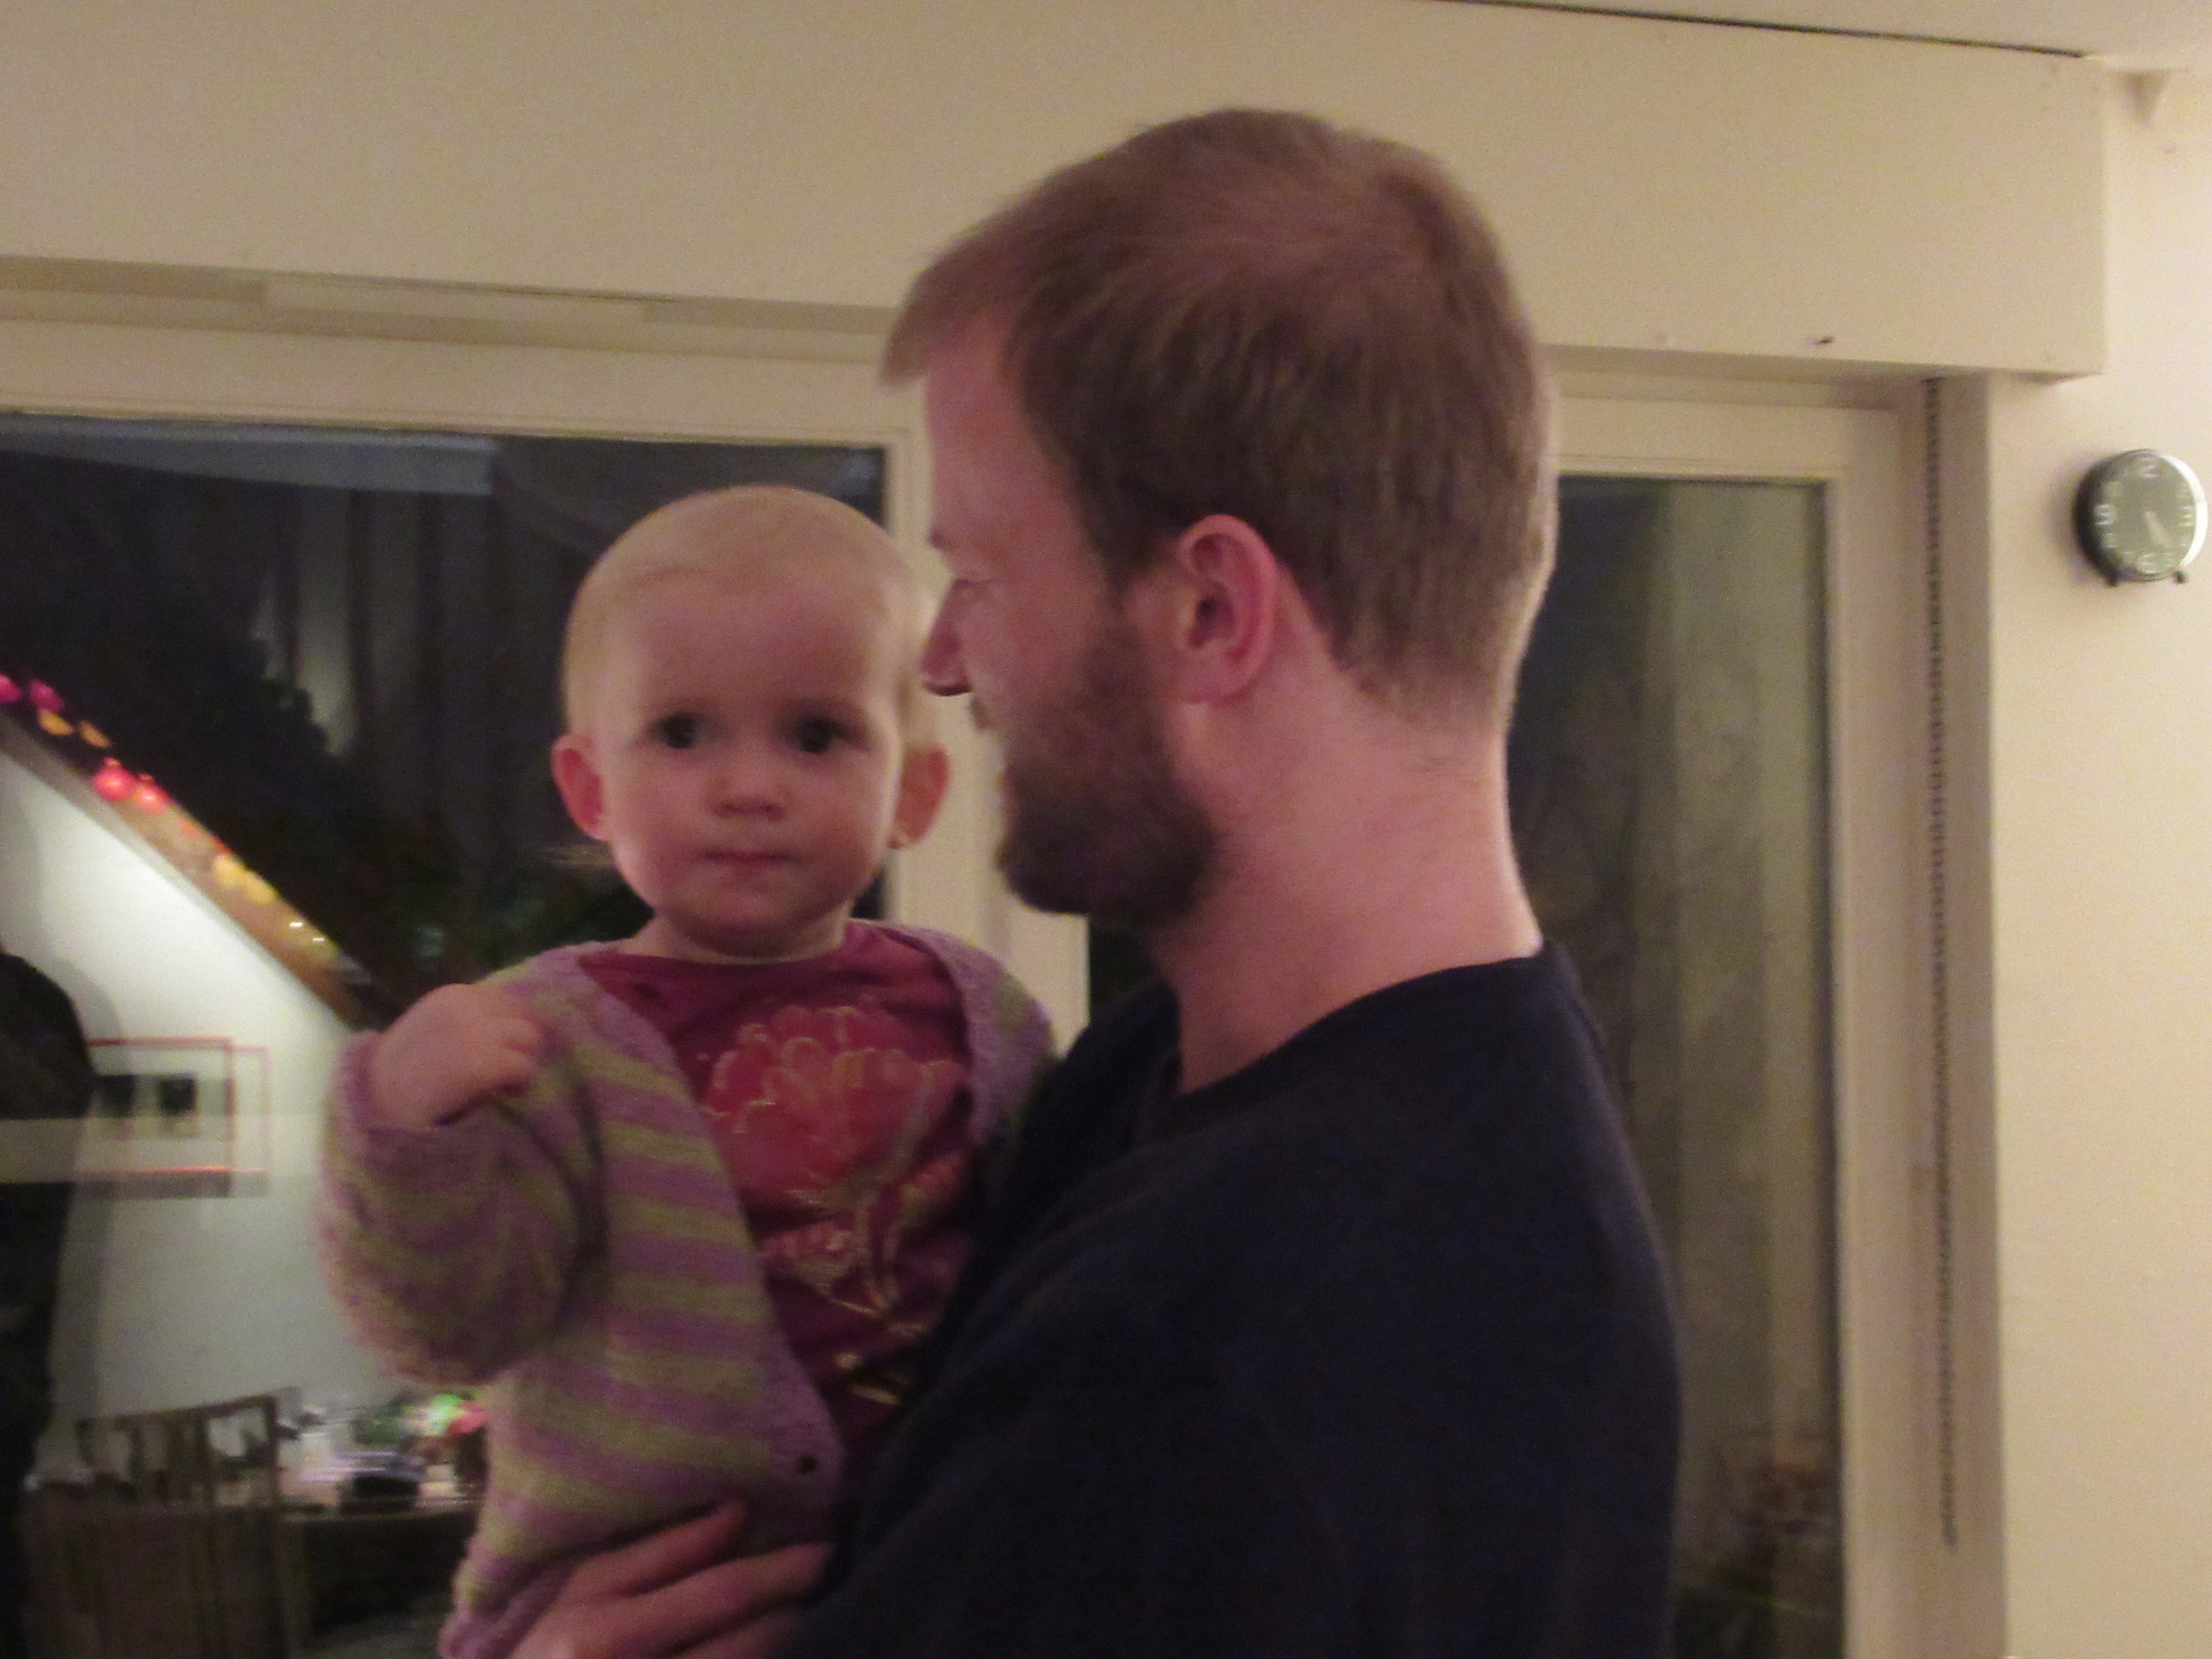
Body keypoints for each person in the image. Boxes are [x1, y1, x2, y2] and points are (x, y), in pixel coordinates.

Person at [514, 107, 1680, 1659]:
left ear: (1209, 612)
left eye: (980, 578)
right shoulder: (1200, 1078)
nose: (944, 659)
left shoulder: (1224, 1337)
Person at [317, 486, 1054, 1659]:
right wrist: (401, 1124)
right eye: (682, 733)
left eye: (816, 735)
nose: (748, 786)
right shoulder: (544, 1040)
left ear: (913, 793)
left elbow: (1052, 1286)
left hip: (934, 1588)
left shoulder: (984, 1012)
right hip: (618, 1607)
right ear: (591, 790)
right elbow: (448, 1332)